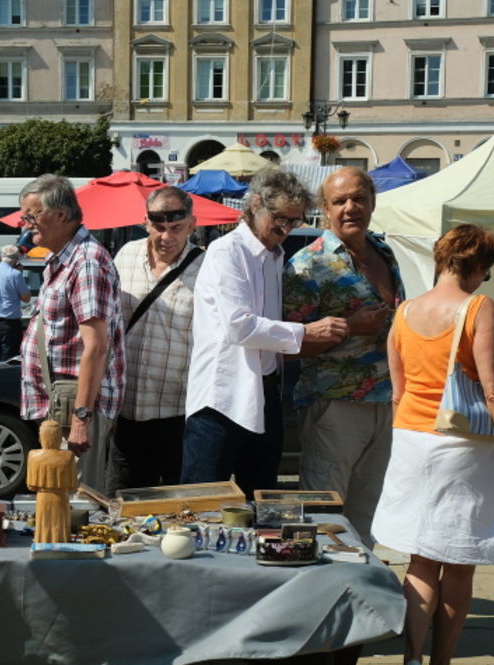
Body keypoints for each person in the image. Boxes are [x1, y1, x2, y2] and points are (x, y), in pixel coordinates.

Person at [372, 225, 494, 665]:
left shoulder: (403, 312)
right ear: (478, 265)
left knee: (421, 562)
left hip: (410, 441)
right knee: (460, 563)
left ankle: (410, 664)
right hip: (460, 447)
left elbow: (398, 390)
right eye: (488, 268)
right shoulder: (477, 308)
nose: (487, 279)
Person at [183, 167, 347, 499]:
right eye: (281, 219)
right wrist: (306, 332)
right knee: (202, 503)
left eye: (295, 221)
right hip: (222, 396)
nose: (286, 229)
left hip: (263, 390)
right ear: (256, 204)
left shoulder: (275, 255)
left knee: (261, 502)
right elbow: (239, 326)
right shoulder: (227, 252)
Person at [283, 167, 403, 545]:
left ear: (372, 202)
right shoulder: (307, 265)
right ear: (324, 208)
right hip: (334, 406)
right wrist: (350, 327)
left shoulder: (385, 252)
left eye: (359, 198)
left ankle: (361, 597)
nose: (351, 207)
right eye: (340, 201)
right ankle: (321, 598)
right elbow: (290, 346)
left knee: (369, 516)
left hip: (385, 405)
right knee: (323, 517)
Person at [18, 173, 126, 492]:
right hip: (61, 403)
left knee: (73, 503)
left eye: (32, 215)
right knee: (58, 496)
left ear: (61, 215)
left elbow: (96, 347)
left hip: (73, 407)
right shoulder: (65, 259)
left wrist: (81, 418)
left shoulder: (86, 263)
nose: (26, 223)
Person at [108, 186, 205, 493]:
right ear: (146, 222)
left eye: (176, 228)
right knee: (121, 506)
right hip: (127, 413)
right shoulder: (125, 256)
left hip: (178, 414)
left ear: (192, 224)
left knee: (177, 511)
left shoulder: (207, 268)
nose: (166, 237)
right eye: (158, 227)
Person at [28, 419, 78, 543]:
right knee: (60, 526)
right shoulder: (68, 456)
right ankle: (61, 542)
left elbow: (30, 485)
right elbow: (72, 485)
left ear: (41, 437)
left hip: (43, 498)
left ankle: (42, 541)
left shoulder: (33, 456)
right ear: (60, 438)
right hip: (62, 498)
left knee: (44, 525)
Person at [0, 244, 30, 361]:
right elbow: (26, 298)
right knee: (9, 355)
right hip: (9, 321)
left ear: (1, 257)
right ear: (16, 260)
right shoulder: (16, 275)